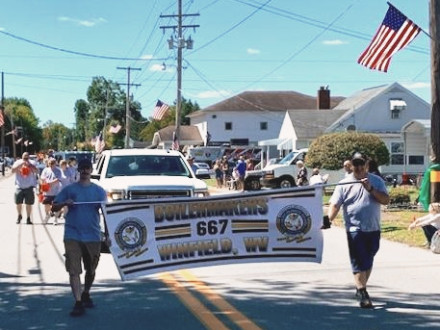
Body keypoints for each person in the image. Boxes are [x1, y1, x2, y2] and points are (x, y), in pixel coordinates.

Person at [327, 152, 389, 308]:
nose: (359, 167)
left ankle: (360, 287)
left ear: (366, 164)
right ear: (351, 165)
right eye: (356, 164)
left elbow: (386, 200)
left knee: (368, 260)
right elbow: (335, 204)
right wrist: (328, 220)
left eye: (362, 164)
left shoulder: (377, 181)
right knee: (359, 260)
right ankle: (363, 292)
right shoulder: (344, 184)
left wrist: (371, 188)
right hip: (354, 228)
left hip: (373, 228)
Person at [52, 159, 107, 317]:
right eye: (82, 168)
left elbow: (108, 214)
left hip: (93, 235)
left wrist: (109, 236)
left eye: (87, 168)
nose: (84, 171)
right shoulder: (69, 189)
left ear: (91, 170)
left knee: (91, 269)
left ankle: (86, 293)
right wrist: (64, 203)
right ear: (78, 170)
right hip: (72, 234)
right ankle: (77, 302)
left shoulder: (99, 191)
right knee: (74, 270)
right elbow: (53, 206)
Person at [11, 152, 38, 224]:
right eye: (24, 157)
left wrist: (30, 166)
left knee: (28, 203)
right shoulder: (17, 162)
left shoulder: (32, 162)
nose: (26, 158)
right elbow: (12, 171)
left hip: (29, 186)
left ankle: (28, 218)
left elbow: (37, 171)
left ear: (29, 157)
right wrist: (20, 165)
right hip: (19, 186)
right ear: (22, 157)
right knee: (18, 203)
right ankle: (19, 215)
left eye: (27, 157)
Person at [41, 158, 62, 224]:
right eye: (50, 163)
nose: (51, 165)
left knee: (56, 205)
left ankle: (55, 219)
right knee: (46, 204)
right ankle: (47, 215)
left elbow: (58, 179)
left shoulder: (58, 170)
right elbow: (42, 178)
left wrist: (50, 183)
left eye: (52, 163)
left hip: (56, 191)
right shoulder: (45, 170)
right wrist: (44, 183)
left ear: (55, 163)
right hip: (47, 191)